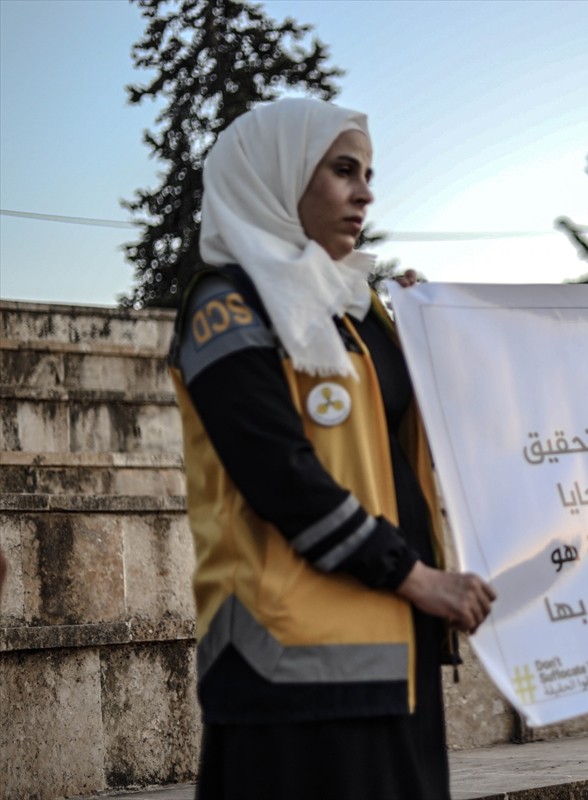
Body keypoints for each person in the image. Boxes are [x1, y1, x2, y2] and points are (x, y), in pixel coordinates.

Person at [167, 98, 496, 800]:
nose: (366, 193)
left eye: (369, 173)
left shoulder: (358, 312)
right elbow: (280, 473)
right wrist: (418, 577)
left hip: (394, 655)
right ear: (278, 177)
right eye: (343, 170)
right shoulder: (226, 305)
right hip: (289, 665)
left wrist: (429, 333)